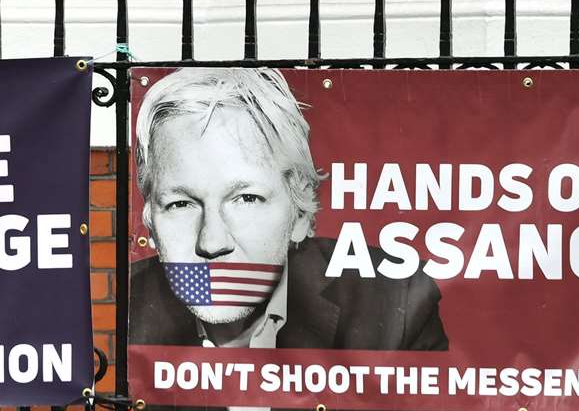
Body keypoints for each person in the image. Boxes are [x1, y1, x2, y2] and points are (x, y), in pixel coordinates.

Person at [132, 67, 448, 355]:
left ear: (299, 214)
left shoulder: (396, 304)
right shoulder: (123, 312)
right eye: (181, 204)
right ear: (150, 224)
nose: (212, 243)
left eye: (246, 199)